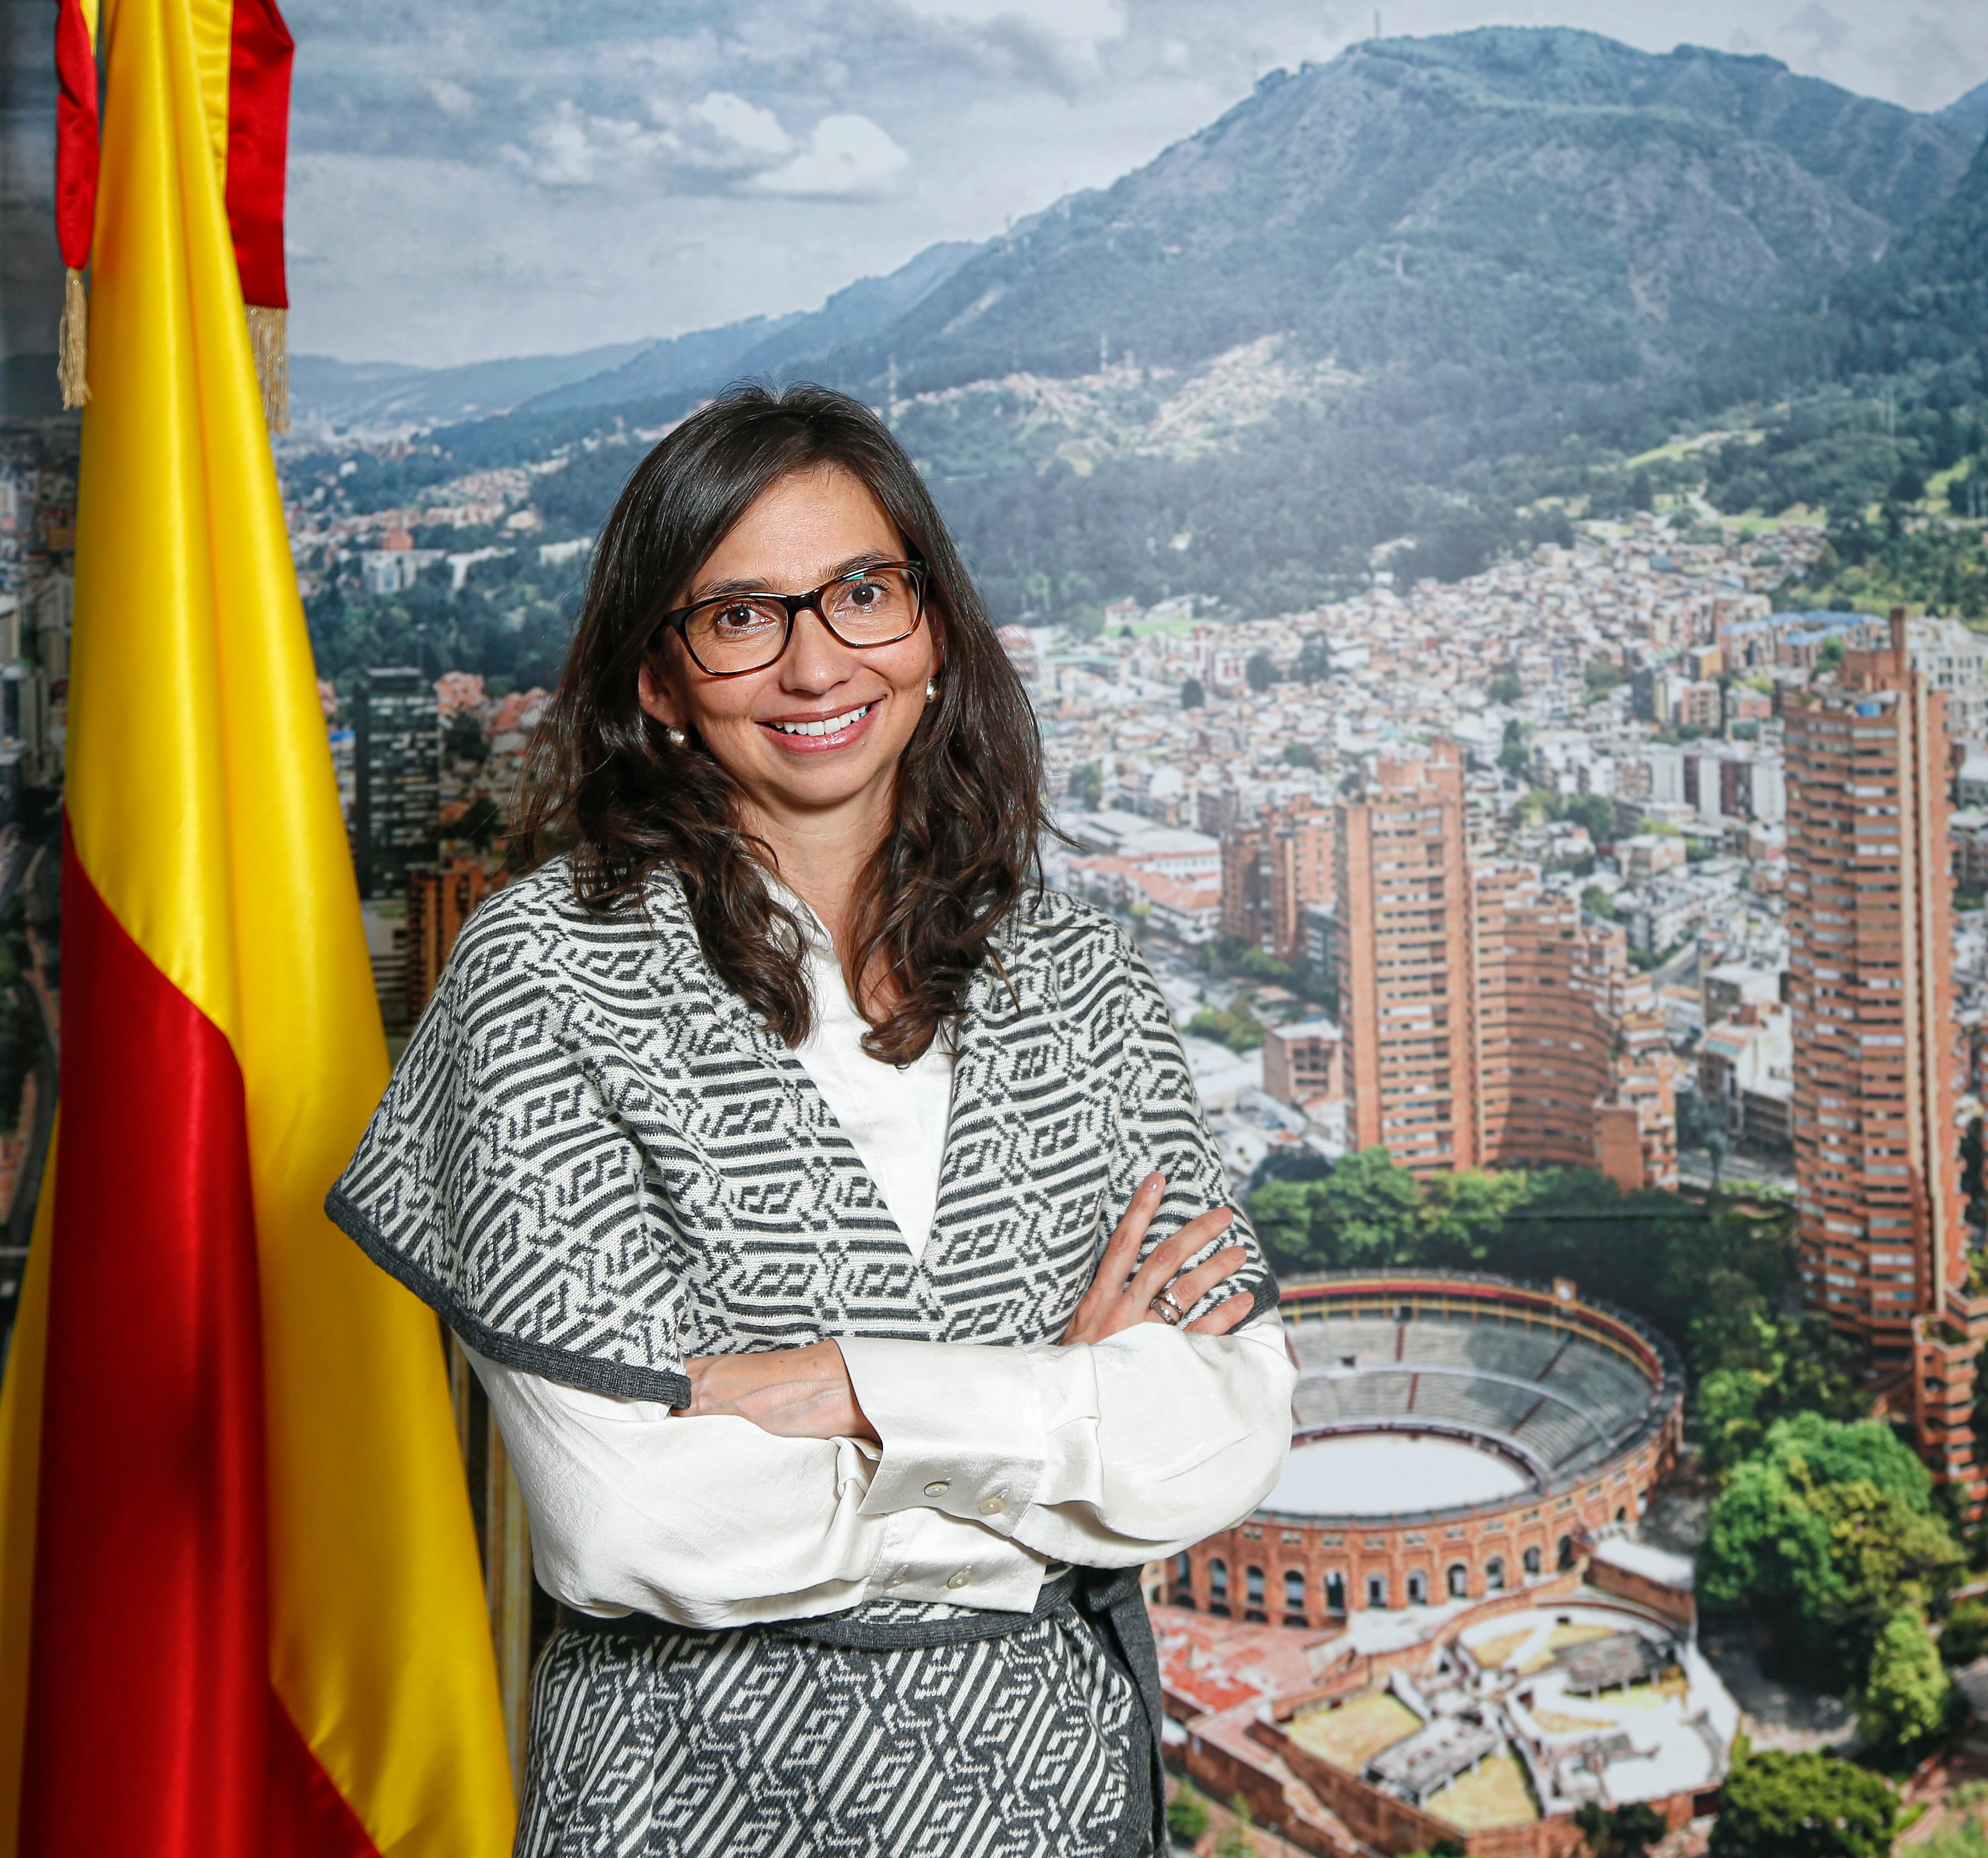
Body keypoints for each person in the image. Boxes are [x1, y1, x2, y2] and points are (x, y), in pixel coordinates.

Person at [328, 383, 1293, 1856]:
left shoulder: (1077, 965)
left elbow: (1222, 1437)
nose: (816, 660)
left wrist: (843, 1386)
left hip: (1057, 1797)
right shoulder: (543, 979)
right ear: (660, 678)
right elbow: (630, 1522)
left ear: (933, 629)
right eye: (740, 616)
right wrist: (1055, 1409)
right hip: (692, 1802)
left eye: (862, 592)